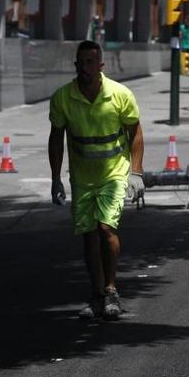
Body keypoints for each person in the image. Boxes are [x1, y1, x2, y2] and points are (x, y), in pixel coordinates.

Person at [48, 40, 145, 321]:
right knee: (89, 234)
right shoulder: (63, 98)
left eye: (92, 62)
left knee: (106, 228)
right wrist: (56, 179)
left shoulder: (119, 94)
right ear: (76, 65)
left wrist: (136, 173)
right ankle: (97, 293)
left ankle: (112, 288)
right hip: (82, 177)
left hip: (114, 173)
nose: (86, 67)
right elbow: (56, 139)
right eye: (82, 62)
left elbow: (135, 133)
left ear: (101, 66)